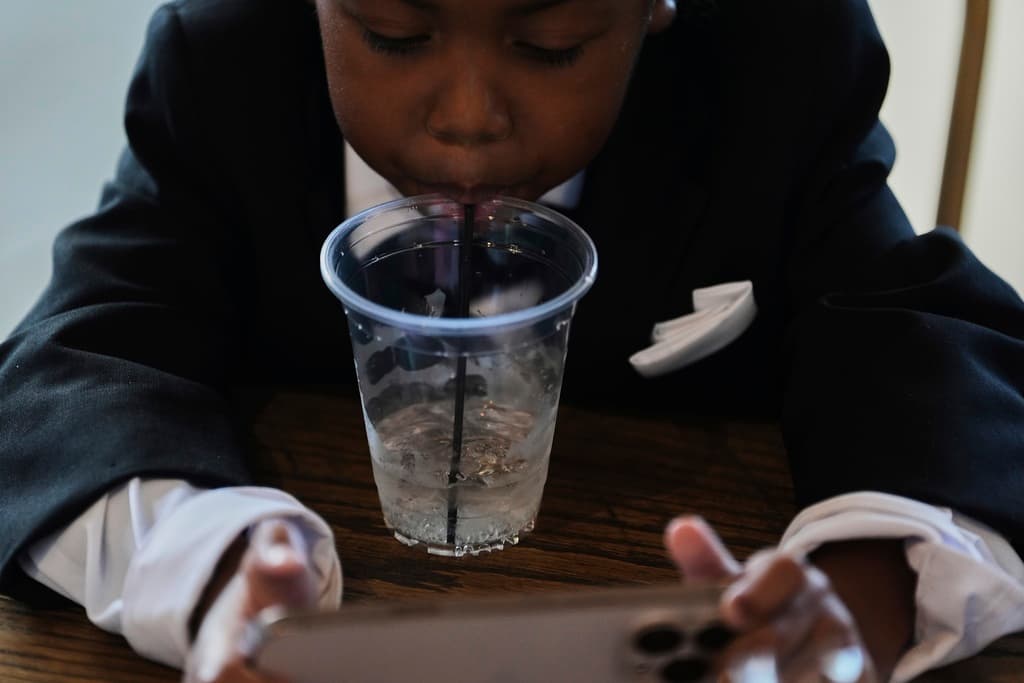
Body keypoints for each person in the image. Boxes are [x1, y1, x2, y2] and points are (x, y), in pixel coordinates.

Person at [1, 0, 1023, 681]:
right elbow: (74, 362)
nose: (467, 119)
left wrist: (856, 592)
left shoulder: (778, 60)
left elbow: (917, 338)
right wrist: (212, 575)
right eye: (394, 33)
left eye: (551, 44)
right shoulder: (224, 56)